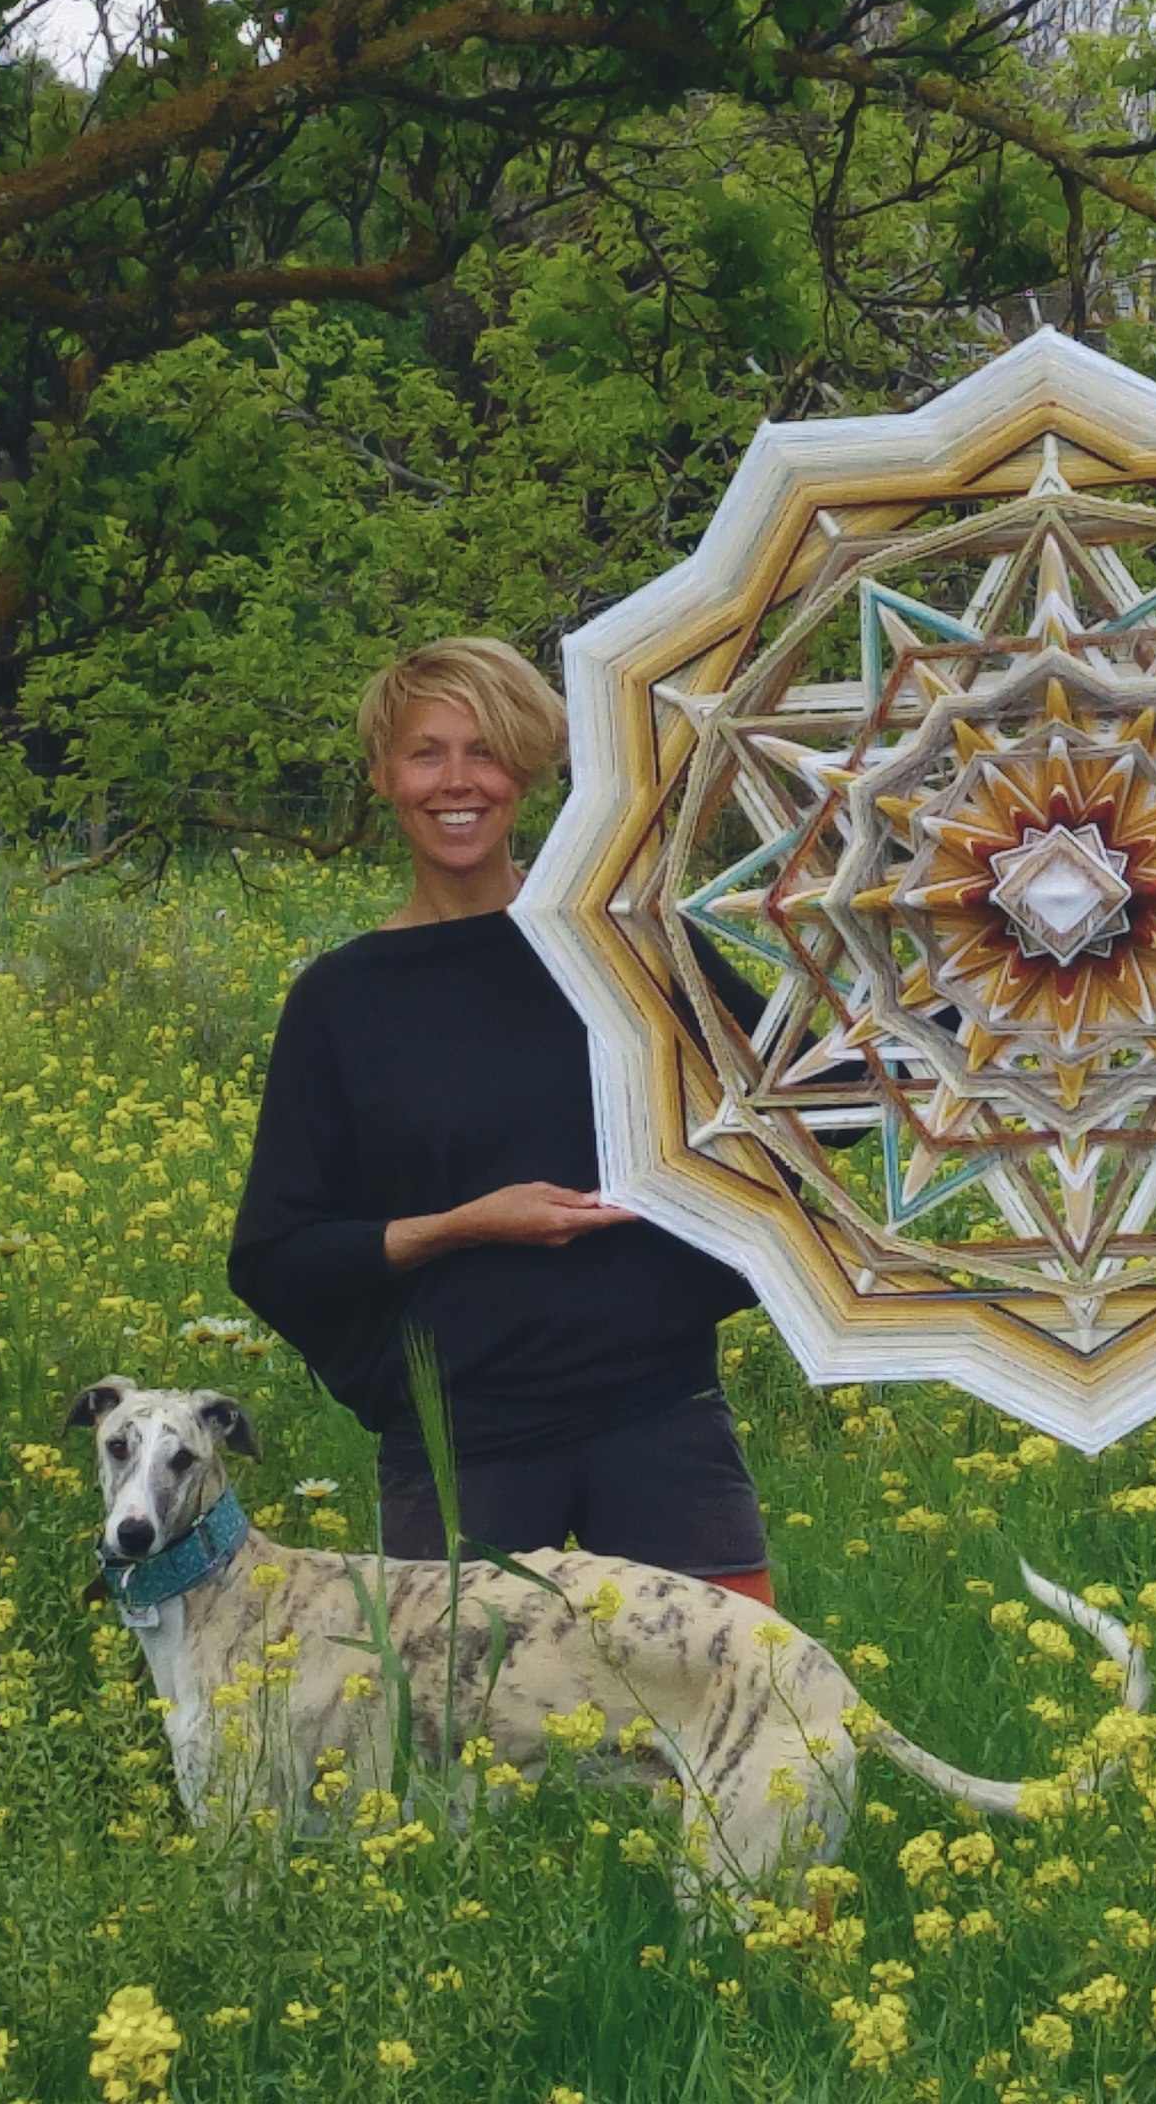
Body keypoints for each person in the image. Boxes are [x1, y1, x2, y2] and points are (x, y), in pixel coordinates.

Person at [226, 638, 781, 1609]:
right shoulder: (340, 1002)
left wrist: (997, 945)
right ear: (383, 776)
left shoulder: (628, 938)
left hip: (662, 1421)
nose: (457, 782)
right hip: (459, 1448)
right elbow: (278, 1256)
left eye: (484, 751)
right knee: (463, 1753)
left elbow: (812, 1096)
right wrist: (467, 1225)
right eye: (426, 752)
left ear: (525, 769)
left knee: (749, 1733)